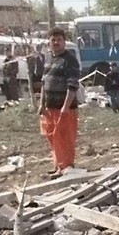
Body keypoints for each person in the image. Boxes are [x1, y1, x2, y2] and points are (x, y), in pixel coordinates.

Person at [39, 27, 81, 175]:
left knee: (64, 138)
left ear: (64, 41)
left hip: (65, 108)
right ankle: (58, 165)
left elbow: (73, 85)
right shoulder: (49, 58)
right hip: (49, 108)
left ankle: (66, 167)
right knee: (52, 137)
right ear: (49, 42)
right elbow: (44, 82)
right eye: (53, 40)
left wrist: (66, 106)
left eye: (59, 40)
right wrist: (41, 104)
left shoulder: (70, 60)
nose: (56, 42)